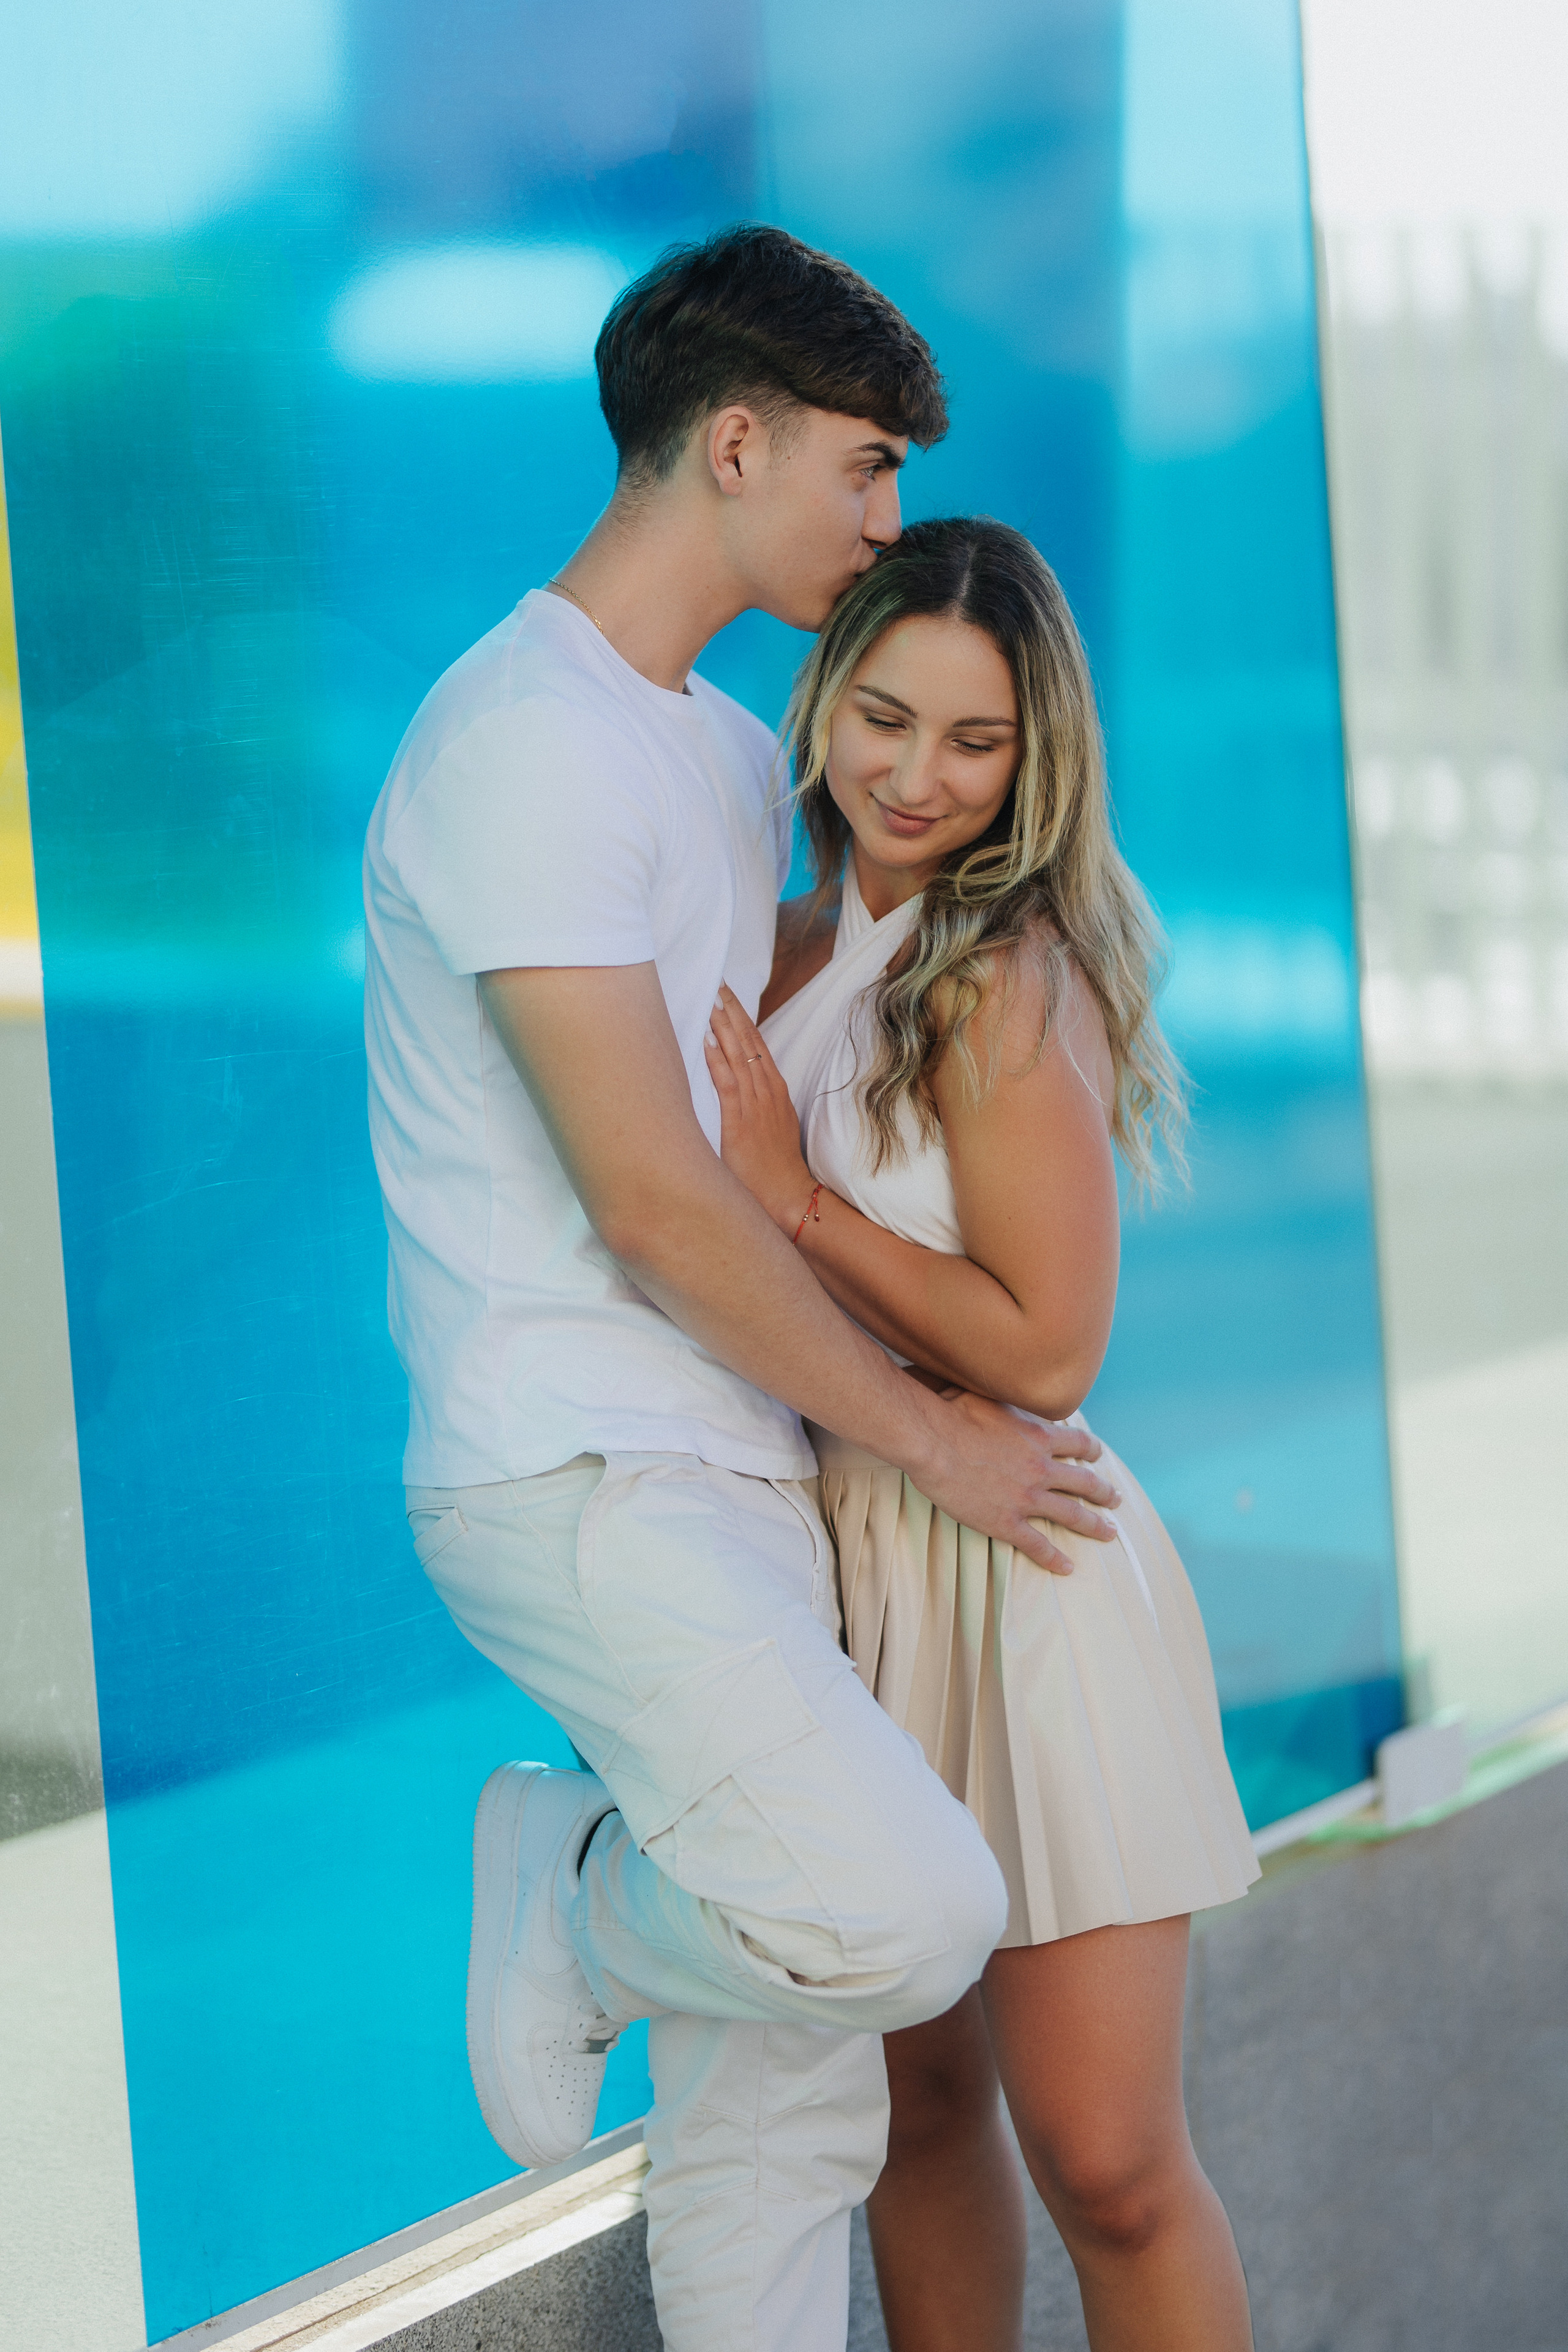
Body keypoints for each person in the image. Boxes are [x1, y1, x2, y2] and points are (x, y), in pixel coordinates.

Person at [362, 228, 1122, 2352]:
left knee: (787, 2124)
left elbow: (795, 1123)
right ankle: (587, 1898)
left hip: (742, 1470)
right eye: (866, 468)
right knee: (908, 1917)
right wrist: (949, 1440)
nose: (886, 524)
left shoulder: (703, 750)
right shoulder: (527, 742)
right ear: (735, 440)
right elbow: (662, 1207)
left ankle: (620, 1920)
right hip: (585, 1467)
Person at [704, 515, 1261, 2352]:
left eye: (976, 741)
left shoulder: (998, 970)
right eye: (884, 717)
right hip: (833, 1579)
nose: (918, 778)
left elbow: (1049, 1345)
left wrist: (800, 1209)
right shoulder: (771, 951)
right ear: (821, 702)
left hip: (1016, 1573)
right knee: (914, 2124)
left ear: (1039, 761)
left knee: (1104, 2159)